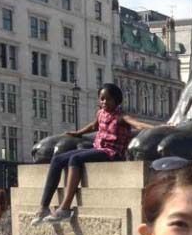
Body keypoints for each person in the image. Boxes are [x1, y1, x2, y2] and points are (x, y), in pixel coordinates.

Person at [31, 83, 158, 225]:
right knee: (57, 159)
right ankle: (43, 207)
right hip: (98, 149)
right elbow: (94, 126)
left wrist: (158, 128)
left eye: (108, 99)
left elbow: (138, 125)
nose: (104, 102)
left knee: (75, 159)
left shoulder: (121, 116)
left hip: (112, 153)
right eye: (102, 99)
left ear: (116, 101)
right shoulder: (101, 113)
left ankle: (65, 208)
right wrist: (78, 133)